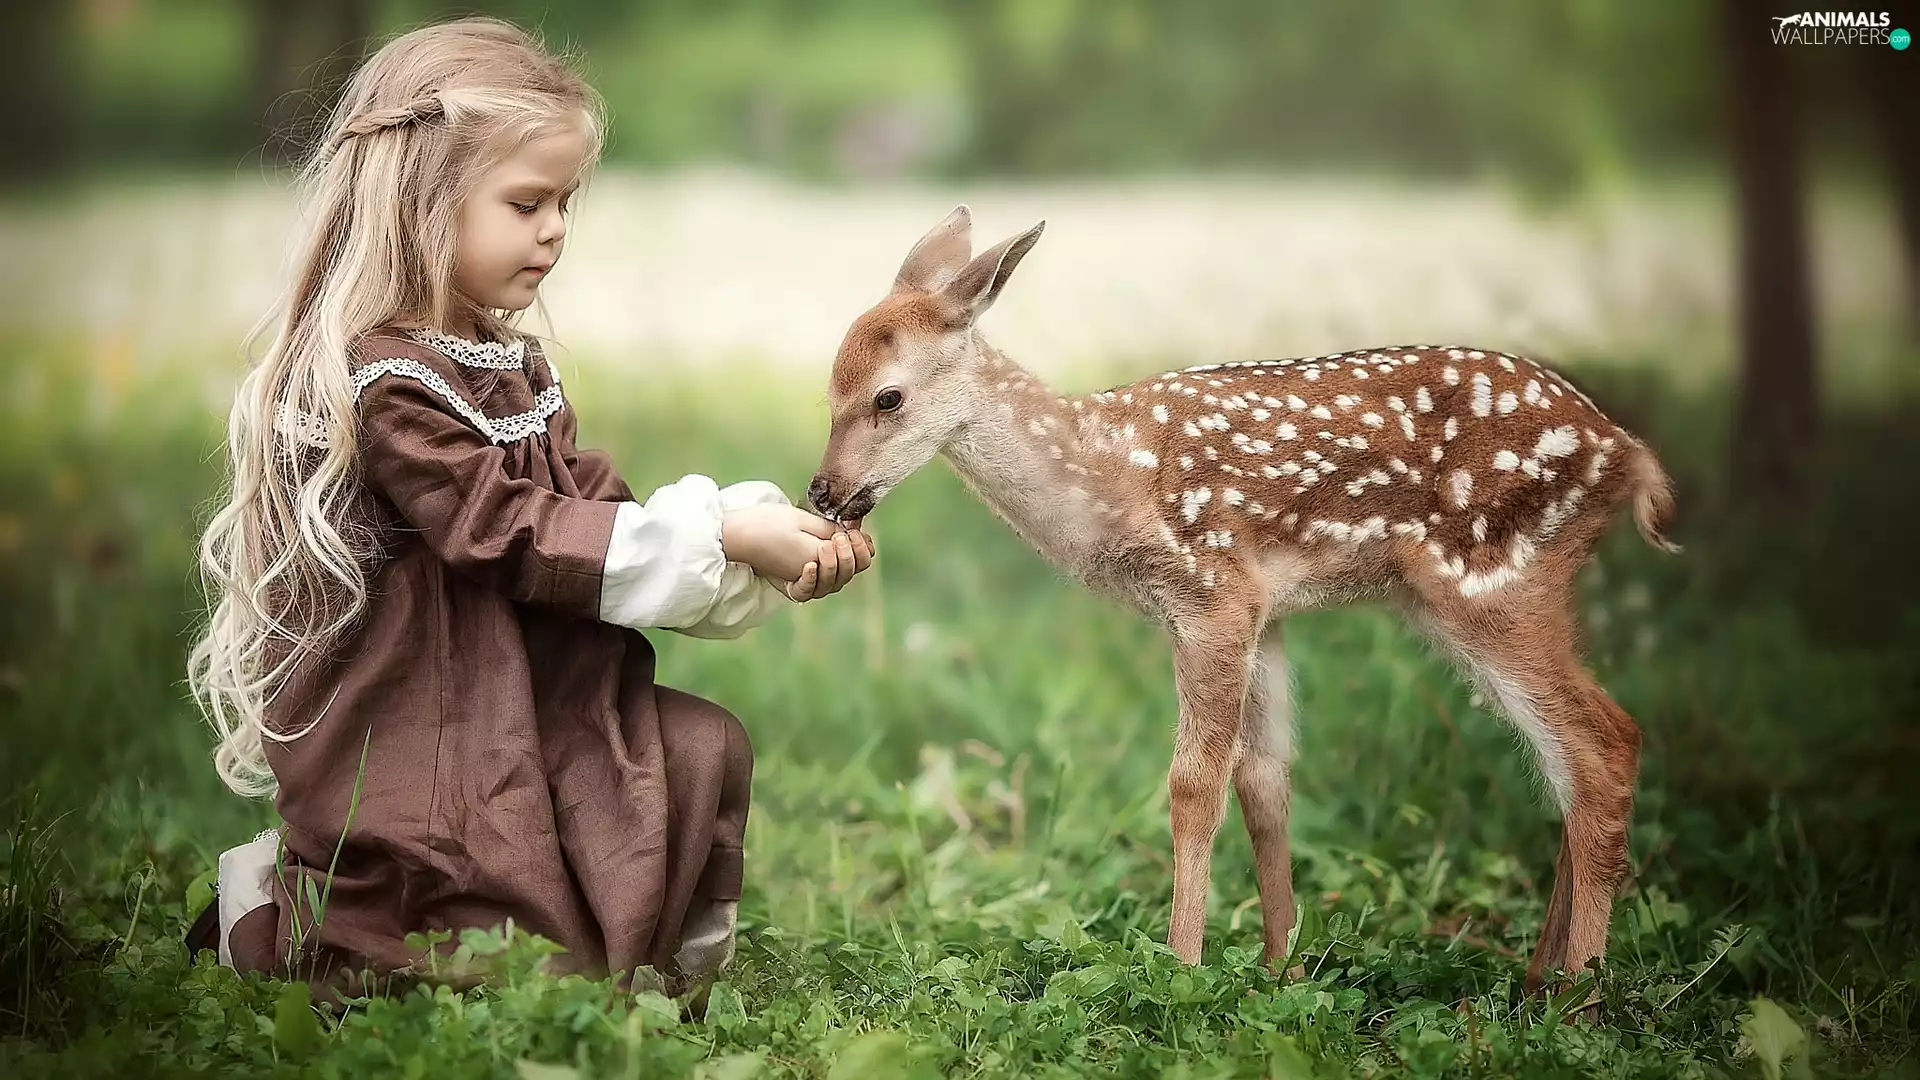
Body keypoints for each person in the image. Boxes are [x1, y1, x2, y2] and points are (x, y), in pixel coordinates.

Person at [182, 15, 873, 1002]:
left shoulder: (510, 364)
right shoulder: (384, 383)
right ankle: (274, 917)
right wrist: (717, 534)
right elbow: (508, 530)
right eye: (526, 202)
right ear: (420, 201)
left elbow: (593, 509)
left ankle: (644, 964)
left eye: (565, 203)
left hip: (530, 689)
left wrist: (748, 545)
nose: (554, 229)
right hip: (429, 717)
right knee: (488, 946)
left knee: (698, 745)